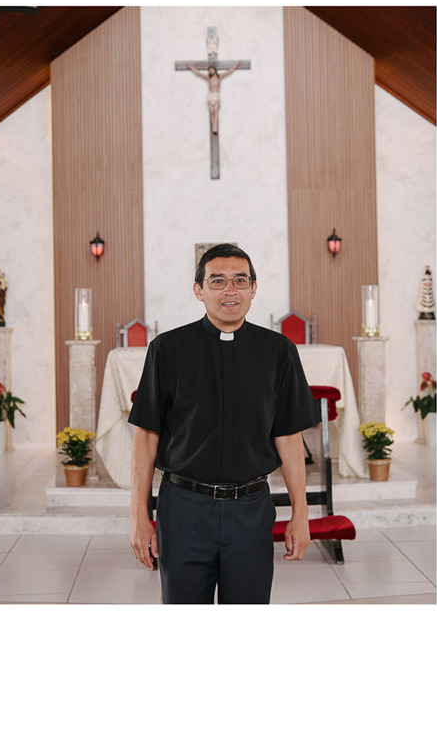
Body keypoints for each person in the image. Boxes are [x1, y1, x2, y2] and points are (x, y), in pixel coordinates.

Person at [128, 243, 318, 603]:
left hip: (251, 510)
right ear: (198, 290)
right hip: (183, 510)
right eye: (217, 281)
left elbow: (288, 437)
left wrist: (301, 514)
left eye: (239, 280)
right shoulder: (167, 350)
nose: (230, 290)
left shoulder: (278, 352)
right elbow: (146, 437)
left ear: (253, 288)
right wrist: (140, 516)